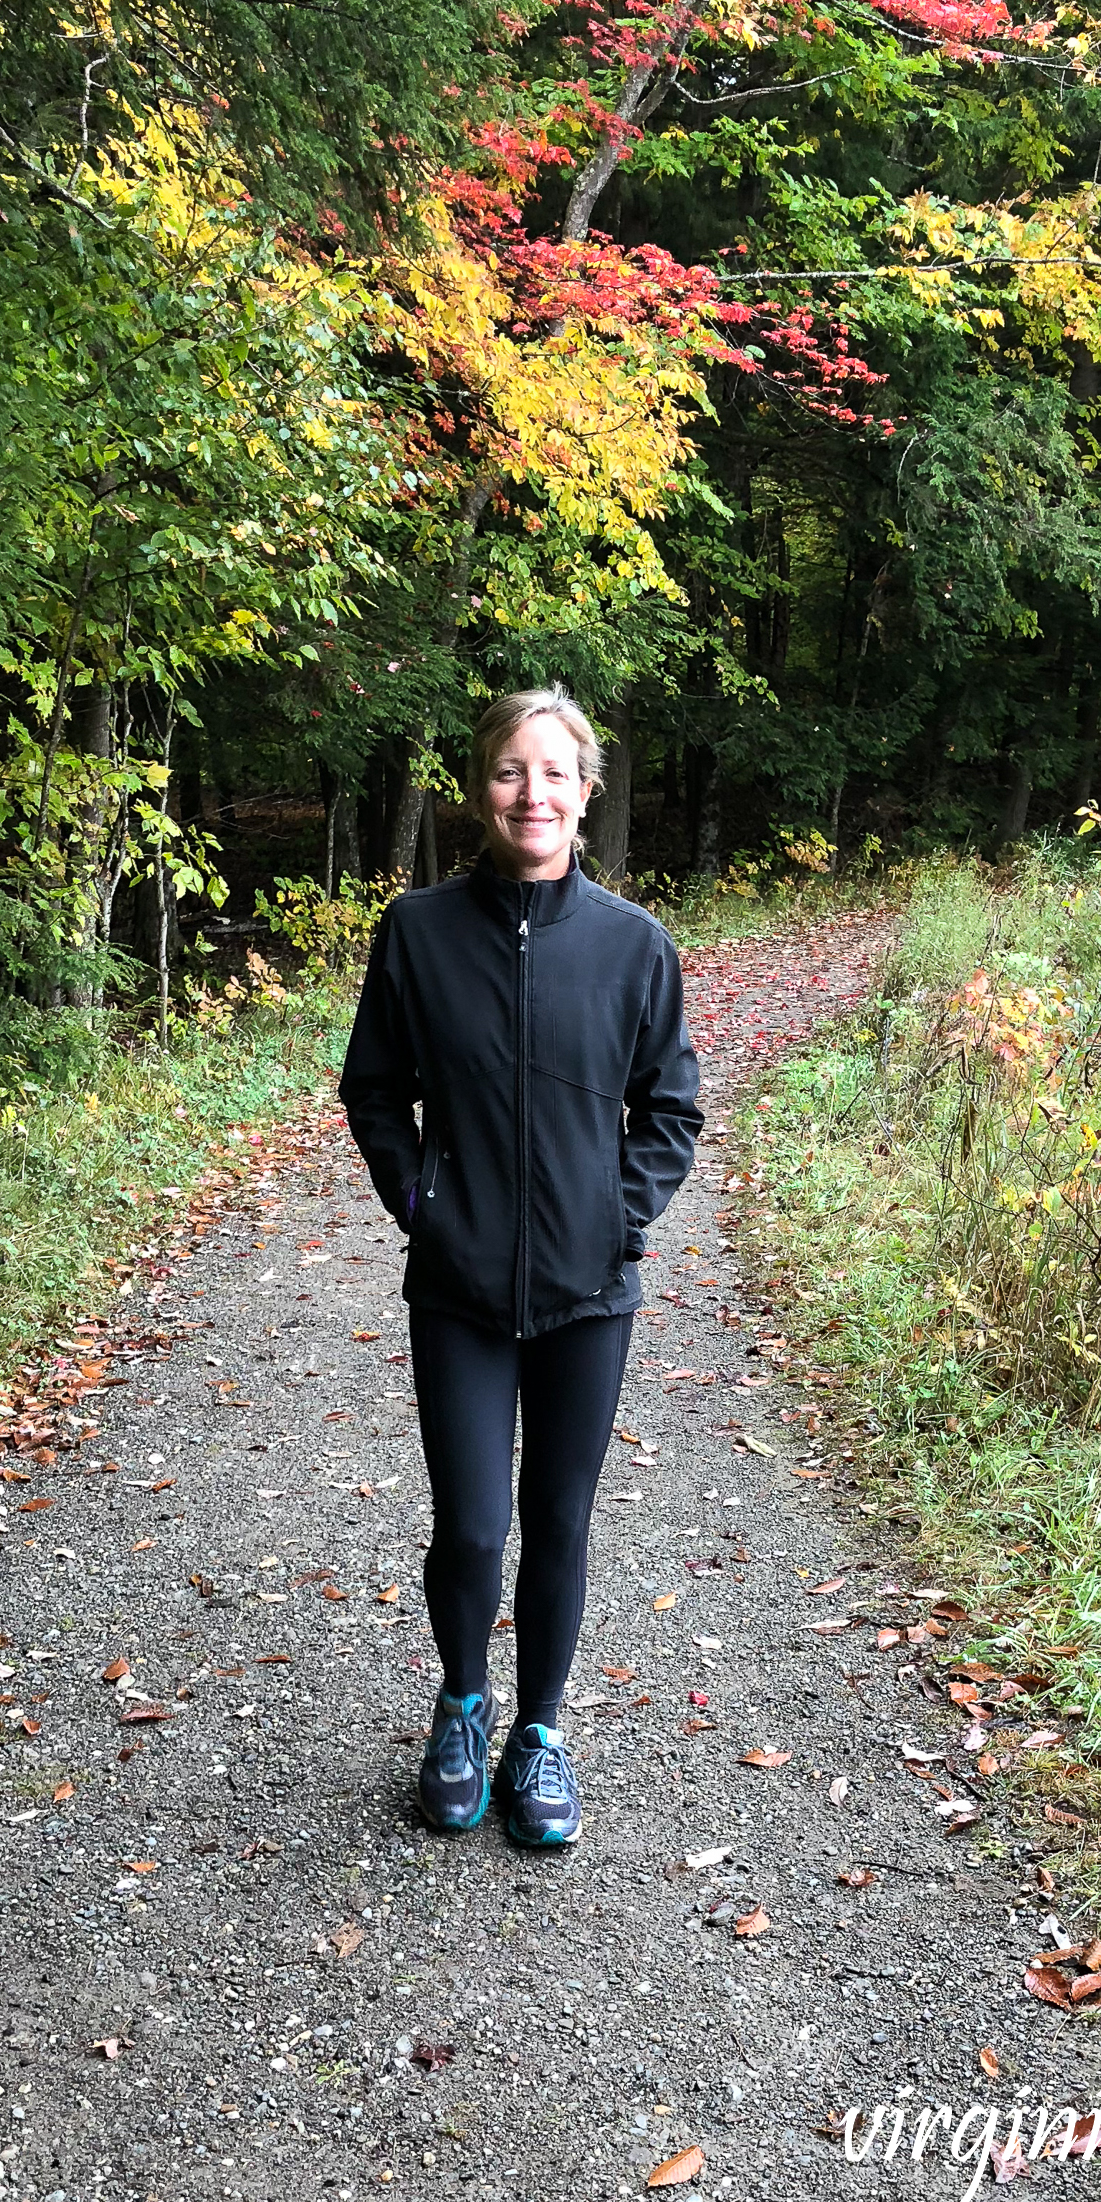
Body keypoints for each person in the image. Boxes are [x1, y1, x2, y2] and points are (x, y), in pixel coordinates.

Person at [338, 688, 702, 1845]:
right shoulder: (418, 933)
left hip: (590, 1293)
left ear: (586, 791)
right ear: (479, 787)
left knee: (558, 1518)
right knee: (474, 1526)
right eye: (508, 771)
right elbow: (372, 1091)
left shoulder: (635, 946)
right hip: (457, 1285)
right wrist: (421, 1205)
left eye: (554, 773)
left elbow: (672, 1110)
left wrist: (617, 1215)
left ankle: (537, 1732)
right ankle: (460, 1703)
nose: (531, 794)